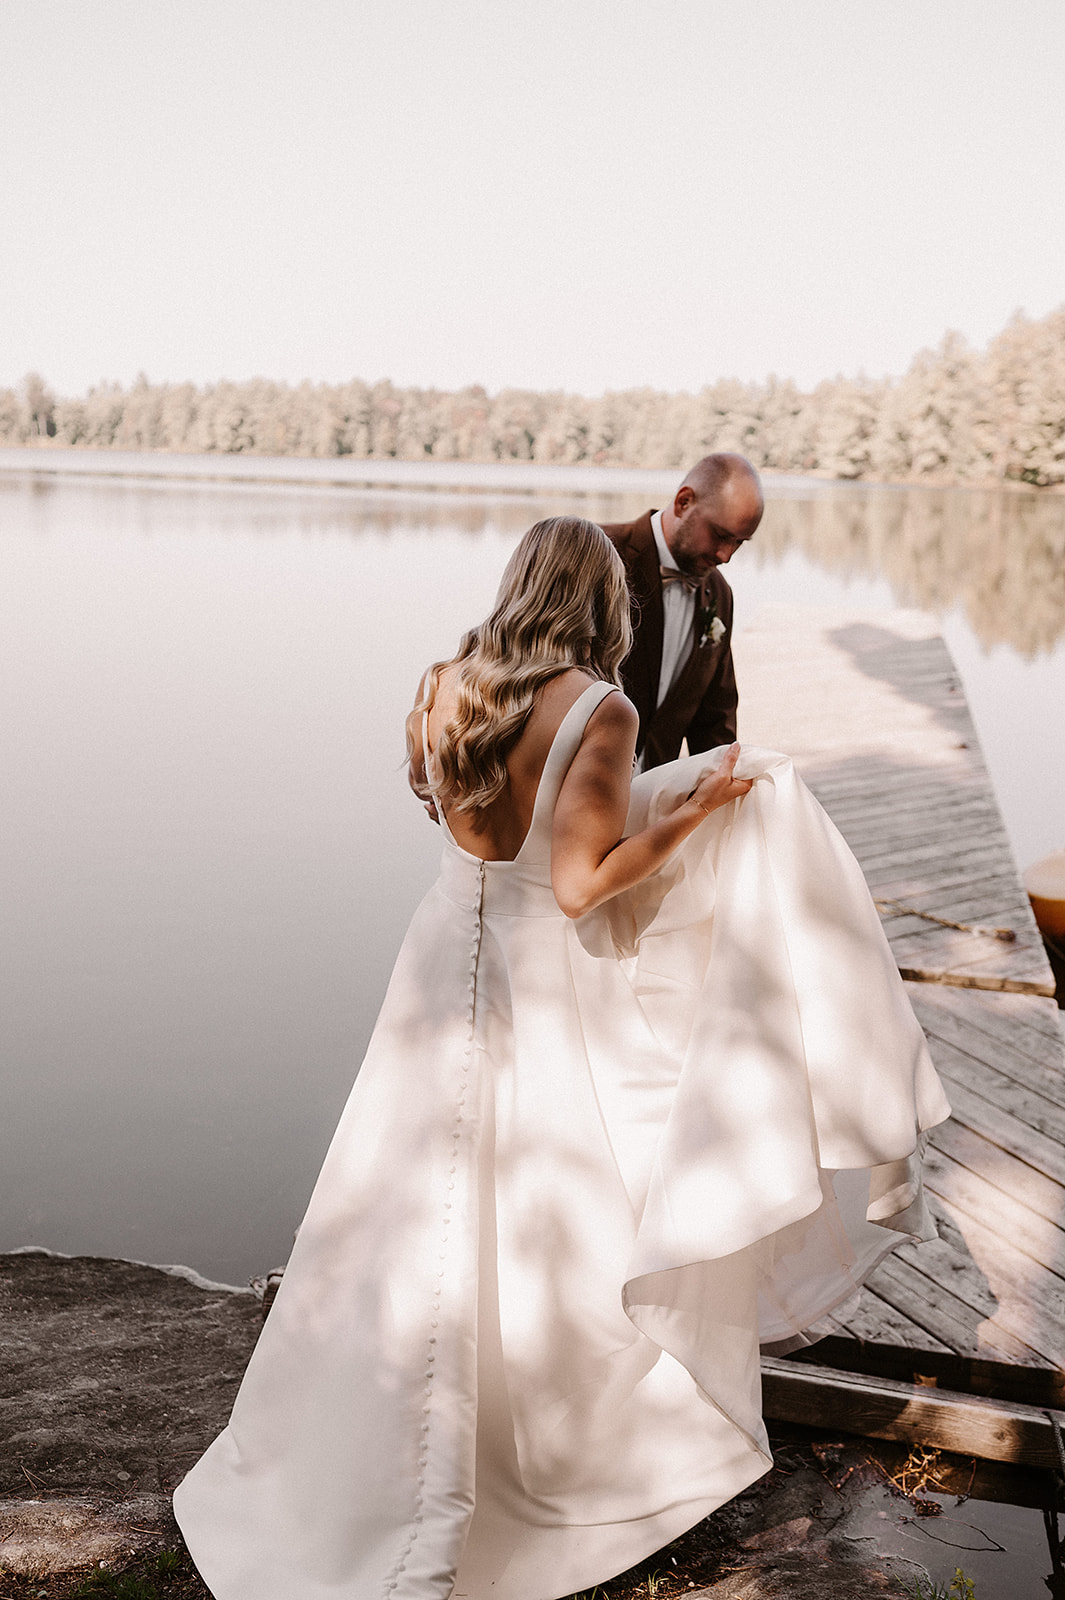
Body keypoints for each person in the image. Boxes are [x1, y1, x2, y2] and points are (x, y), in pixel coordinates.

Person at [173, 516, 949, 1600]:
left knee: (408, 1199)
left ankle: (345, 1447)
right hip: (537, 984)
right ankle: (557, 1450)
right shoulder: (603, 705)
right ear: (602, 600)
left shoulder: (443, 681)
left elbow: (453, 812)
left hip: (442, 958)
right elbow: (585, 884)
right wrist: (694, 812)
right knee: (562, 1200)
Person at [602, 453, 763, 769]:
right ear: (684, 502)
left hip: (657, 798)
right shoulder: (599, 555)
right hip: (577, 793)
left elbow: (715, 719)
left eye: (740, 543)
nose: (726, 555)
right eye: (720, 535)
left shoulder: (719, 593)